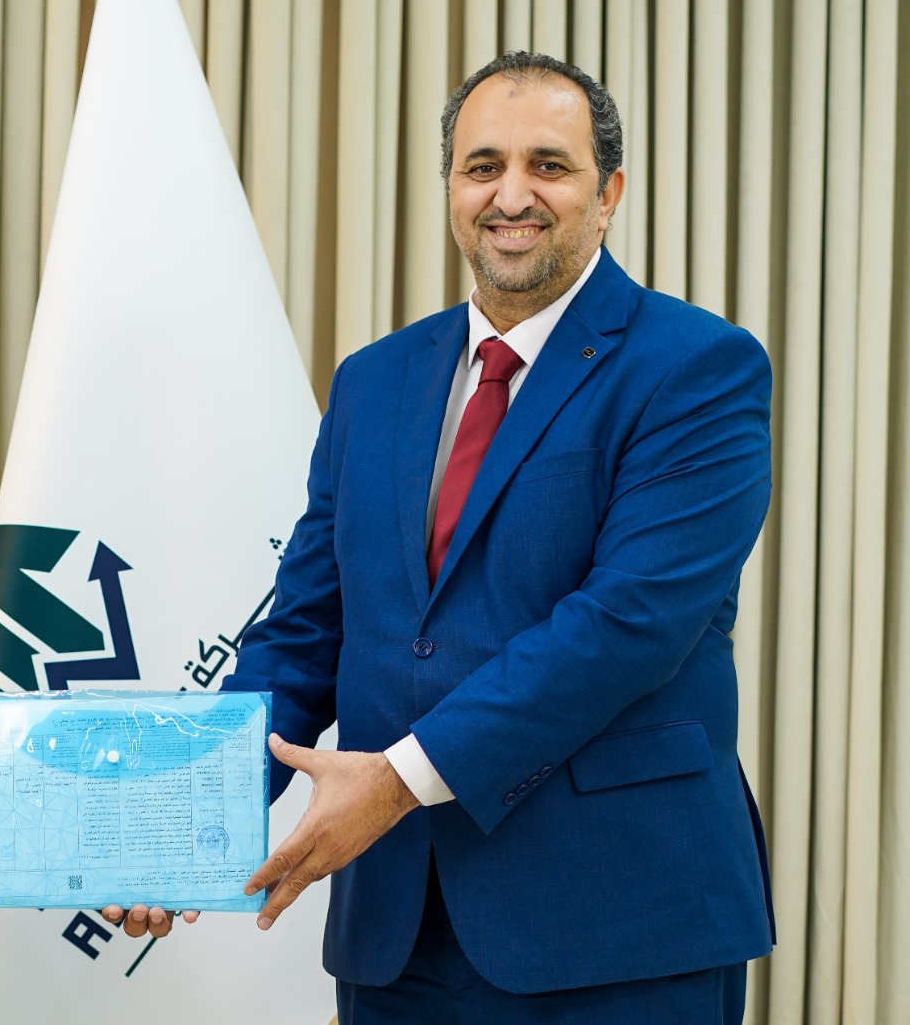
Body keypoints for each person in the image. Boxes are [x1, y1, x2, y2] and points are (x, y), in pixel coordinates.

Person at [219, 52, 775, 1021]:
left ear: (608, 193)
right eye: (482, 166)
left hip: (617, 930)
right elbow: (305, 630)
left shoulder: (698, 368)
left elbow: (624, 626)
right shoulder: (372, 381)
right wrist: (180, 825)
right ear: (450, 188)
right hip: (396, 937)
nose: (510, 195)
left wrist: (396, 780)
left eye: (547, 165)